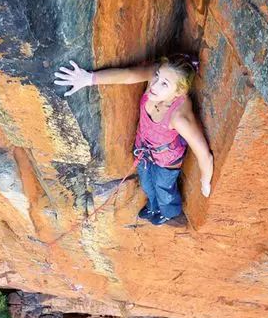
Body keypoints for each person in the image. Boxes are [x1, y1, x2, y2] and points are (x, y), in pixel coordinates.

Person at [54, 56, 214, 226]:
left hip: (166, 161)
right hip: (144, 149)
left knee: (163, 188)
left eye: (164, 84)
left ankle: (168, 212)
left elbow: (205, 155)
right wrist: (89, 79)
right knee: (146, 183)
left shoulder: (179, 117)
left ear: (178, 92)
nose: (154, 84)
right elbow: (128, 75)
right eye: (157, 76)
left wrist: (205, 182)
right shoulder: (155, 82)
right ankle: (153, 207)